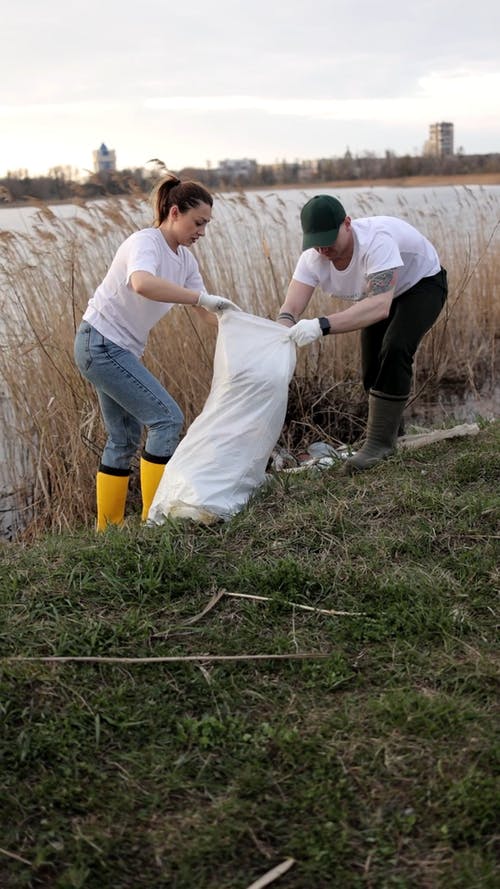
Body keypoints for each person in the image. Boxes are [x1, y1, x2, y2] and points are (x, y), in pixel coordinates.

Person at [74, 173, 239, 530]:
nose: (202, 232)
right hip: (99, 344)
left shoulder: (186, 261)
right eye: (198, 223)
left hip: (114, 350)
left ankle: (109, 529)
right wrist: (198, 297)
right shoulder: (145, 242)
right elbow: (142, 283)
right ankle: (155, 522)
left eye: (207, 225)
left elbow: (206, 313)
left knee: (123, 438)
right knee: (167, 418)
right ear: (174, 212)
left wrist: (246, 327)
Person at [277, 195, 448, 472]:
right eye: (316, 241)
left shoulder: (376, 241)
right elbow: (291, 306)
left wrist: (320, 325)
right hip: (378, 296)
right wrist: (280, 332)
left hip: (422, 285)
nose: (323, 247)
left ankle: (379, 444)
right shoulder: (312, 258)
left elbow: (380, 307)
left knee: (395, 347)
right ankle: (394, 436)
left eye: (329, 238)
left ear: (347, 223)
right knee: (372, 367)